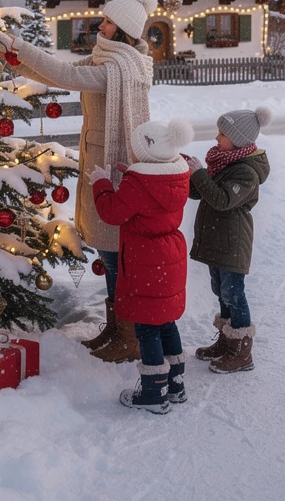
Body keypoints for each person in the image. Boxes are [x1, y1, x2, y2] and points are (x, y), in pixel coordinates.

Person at [0, 0, 157, 363]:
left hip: (113, 168)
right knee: (111, 253)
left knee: (114, 255)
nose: (101, 25)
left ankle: (128, 336)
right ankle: (117, 329)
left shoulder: (117, 69)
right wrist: (15, 60)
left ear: (124, 30)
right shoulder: (107, 59)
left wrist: (16, 44)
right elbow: (59, 74)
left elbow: (66, 74)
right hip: (99, 162)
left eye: (108, 22)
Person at [90, 119, 193, 414]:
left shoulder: (138, 185)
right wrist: (131, 176)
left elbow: (112, 211)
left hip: (145, 261)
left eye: (135, 150)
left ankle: (153, 393)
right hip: (169, 258)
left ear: (144, 155)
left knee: (147, 329)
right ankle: (175, 385)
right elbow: (152, 194)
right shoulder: (175, 176)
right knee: (166, 323)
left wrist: (101, 184)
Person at [186, 107, 272, 374]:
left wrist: (200, 174)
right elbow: (200, 193)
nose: (217, 137)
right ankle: (227, 342)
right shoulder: (223, 161)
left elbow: (221, 200)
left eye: (222, 133)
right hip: (218, 240)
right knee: (220, 291)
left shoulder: (246, 172)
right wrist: (187, 173)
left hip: (233, 243)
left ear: (238, 139)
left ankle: (242, 353)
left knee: (233, 294)